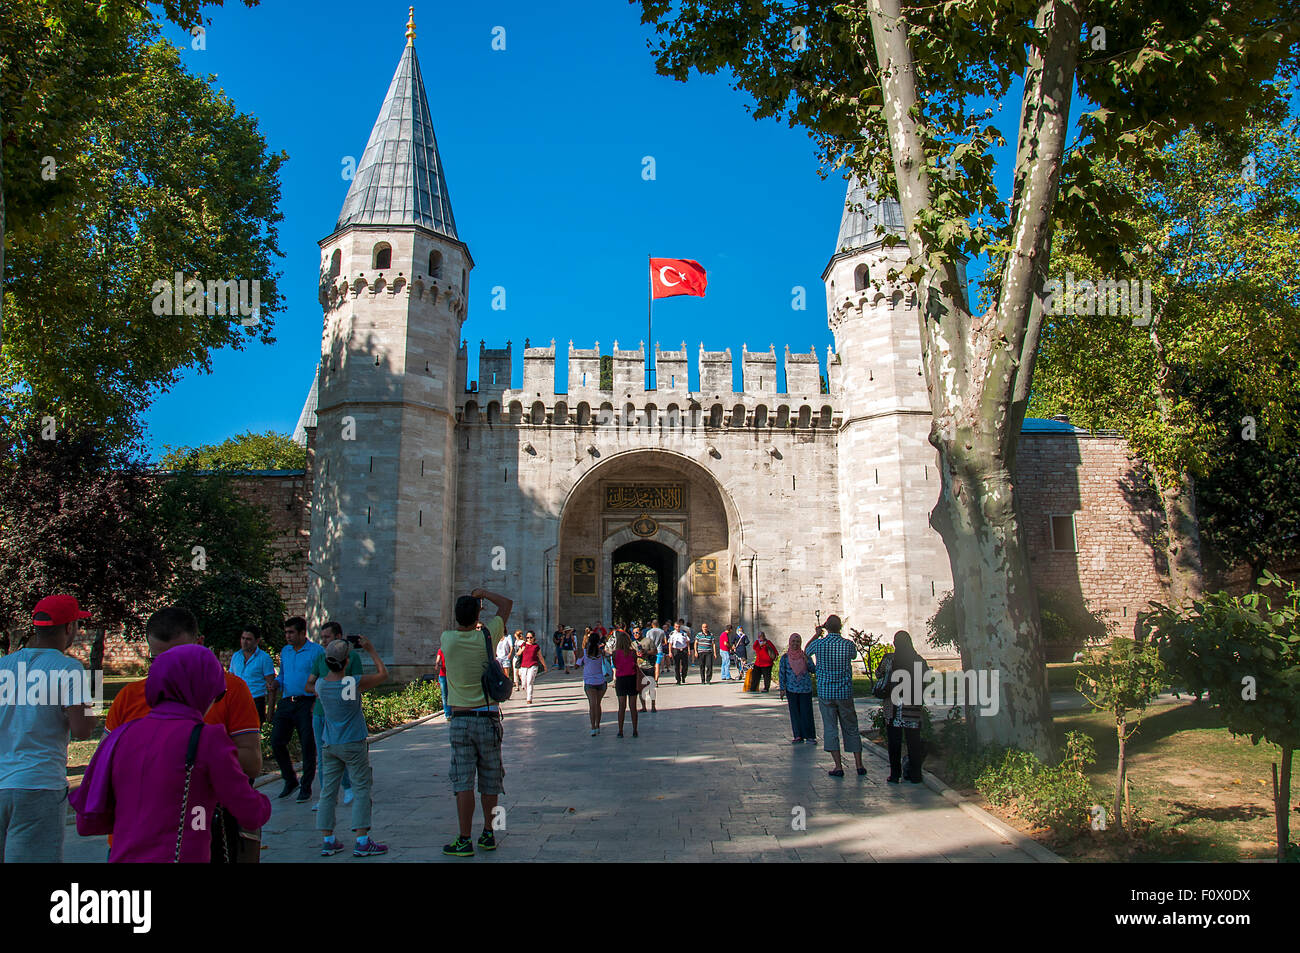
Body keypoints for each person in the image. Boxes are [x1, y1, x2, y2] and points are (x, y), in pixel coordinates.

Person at [73, 644, 272, 862]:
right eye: (218, 693)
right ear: (202, 691)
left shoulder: (121, 735)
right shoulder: (207, 739)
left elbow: (86, 820)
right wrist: (263, 802)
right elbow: (250, 812)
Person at [105, 606, 263, 863]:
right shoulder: (129, 697)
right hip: (134, 839)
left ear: (199, 644)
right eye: (159, 660)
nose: (170, 669)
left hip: (200, 832)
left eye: (180, 657)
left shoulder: (228, 689)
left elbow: (252, 764)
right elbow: (103, 773)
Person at [0, 595, 96, 862]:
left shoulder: (3, 665)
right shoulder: (68, 668)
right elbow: (83, 730)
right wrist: (92, 704)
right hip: (38, 784)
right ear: (69, 628)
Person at [441, 587, 512, 857]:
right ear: (479, 615)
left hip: (460, 720)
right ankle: (488, 834)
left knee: (463, 781)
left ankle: (463, 839)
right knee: (491, 779)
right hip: (488, 717)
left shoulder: (447, 639)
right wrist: (484, 594)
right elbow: (506, 604)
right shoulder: (487, 636)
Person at [316, 637, 388, 856]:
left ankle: (328, 839)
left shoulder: (320, 684)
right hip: (353, 742)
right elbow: (383, 674)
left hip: (330, 743)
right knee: (361, 789)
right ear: (346, 661)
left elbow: (332, 687)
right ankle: (362, 840)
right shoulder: (351, 683)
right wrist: (371, 649)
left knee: (328, 792)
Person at [269, 616, 324, 802]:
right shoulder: (285, 651)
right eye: (286, 632)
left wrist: (317, 702)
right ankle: (290, 779)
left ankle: (306, 786)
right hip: (286, 702)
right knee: (276, 741)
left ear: (302, 633)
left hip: (306, 702)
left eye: (291, 632)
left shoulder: (316, 651)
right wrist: (276, 683)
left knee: (308, 745)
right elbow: (283, 674)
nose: (288, 636)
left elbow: (323, 678)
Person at [803, 616, 865, 778]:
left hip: (826, 693)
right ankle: (859, 764)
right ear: (840, 627)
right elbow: (853, 656)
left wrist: (817, 634)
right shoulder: (848, 644)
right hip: (844, 692)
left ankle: (838, 766)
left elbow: (806, 651)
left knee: (830, 728)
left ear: (826, 627)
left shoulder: (819, 644)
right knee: (851, 727)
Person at [307, 621, 358, 809]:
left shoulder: (352, 658)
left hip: (343, 715)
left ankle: (347, 786)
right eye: (322, 638)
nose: (323, 641)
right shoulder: (321, 658)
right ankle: (325, 797)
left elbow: (355, 686)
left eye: (327, 637)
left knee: (341, 753)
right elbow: (309, 684)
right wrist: (323, 691)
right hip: (321, 713)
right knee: (323, 755)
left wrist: (335, 692)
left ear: (338, 637)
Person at [878, 631, 929, 783]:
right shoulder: (919, 660)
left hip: (893, 707)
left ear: (895, 643)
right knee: (913, 741)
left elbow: (879, 674)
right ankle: (915, 775)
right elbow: (926, 678)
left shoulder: (889, 659)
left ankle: (895, 774)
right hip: (912, 705)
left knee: (894, 742)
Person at [228, 626, 277, 723]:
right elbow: (230, 679)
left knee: (252, 735)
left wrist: (270, 712)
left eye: (248, 639)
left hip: (255, 701)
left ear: (257, 641)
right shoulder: (236, 656)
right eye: (243, 638)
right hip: (237, 701)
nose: (244, 642)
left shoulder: (264, 658)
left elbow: (271, 687)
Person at [778, 634, 817, 744]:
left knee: (806, 712)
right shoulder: (785, 658)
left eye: (798, 641)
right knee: (795, 713)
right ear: (790, 642)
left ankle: (809, 735)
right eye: (793, 641)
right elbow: (782, 674)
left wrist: (807, 660)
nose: (795, 644)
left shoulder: (805, 656)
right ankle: (798, 735)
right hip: (792, 689)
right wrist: (782, 689)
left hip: (805, 689)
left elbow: (813, 669)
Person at [611, 630, 640, 738]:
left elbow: (615, 665)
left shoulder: (614, 653)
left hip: (621, 679)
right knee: (633, 706)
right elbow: (635, 664)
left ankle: (620, 730)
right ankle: (635, 729)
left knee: (621, 706)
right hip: (631, 678)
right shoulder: (632, 653)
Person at [579, 630, 608, 735]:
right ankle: (598, 726)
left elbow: (577, 663)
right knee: (598, 704)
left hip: (589, 681)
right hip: (601, 681)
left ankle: (593, 727)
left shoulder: (585, 653)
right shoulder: (602, 653)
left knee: (592, 704)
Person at [516, 631, 547, 703]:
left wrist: (544, 665)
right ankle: (528, 694)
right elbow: (518, 653)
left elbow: (540, 657)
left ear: (534, 638)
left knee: (529, 681)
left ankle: (529, 698)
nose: (529, 639)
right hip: (524, 666)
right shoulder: (523, 645)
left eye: (530, 637)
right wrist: (522, 650)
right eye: (527, 638)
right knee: (524, 683)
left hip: (533, 665)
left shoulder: (536, 646)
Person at [634, 627, 658, 713]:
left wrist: (646, 652)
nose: (636, 634)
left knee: (651, 687)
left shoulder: (648, 641)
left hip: (649, 666)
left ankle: (653, 706)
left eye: (637, 632)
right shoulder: (633, 644)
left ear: (641, 632)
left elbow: (655, 651)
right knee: (640, 688)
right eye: (634, 633)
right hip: (639, 668)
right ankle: (643, 706)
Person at [644, 618, 665, 684]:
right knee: (657, 665)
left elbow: (647, 641)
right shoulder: (662, 631)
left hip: (651, 650)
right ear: (658, 624)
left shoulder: (649, 632)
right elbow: (664, 641)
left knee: (651, 665)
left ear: (652, 624)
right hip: (659, 650)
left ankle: (651, 679)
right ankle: (656, 680)